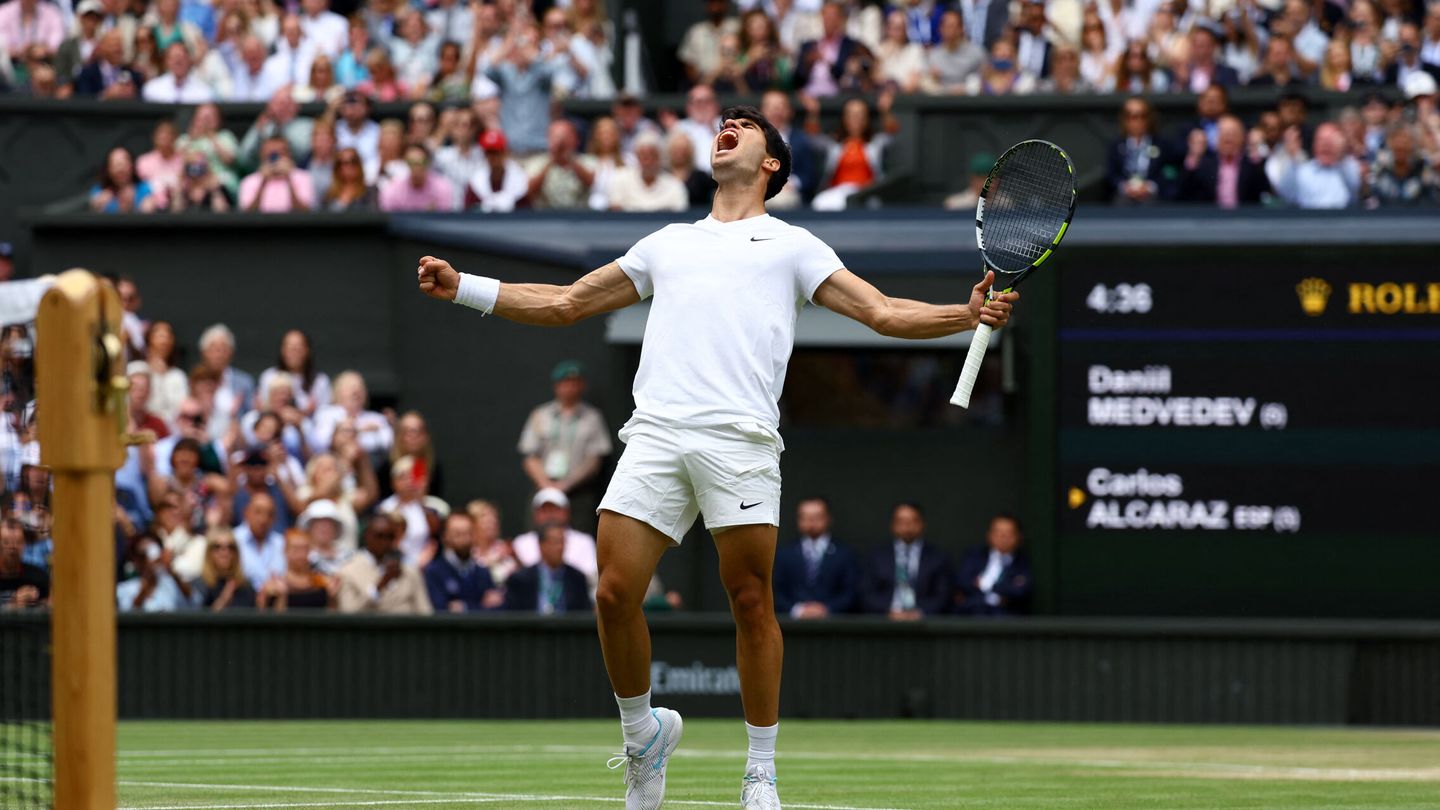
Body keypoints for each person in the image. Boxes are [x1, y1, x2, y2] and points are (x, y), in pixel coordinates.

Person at [413, 99, 1017, 809]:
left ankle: (760, 769)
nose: (725, 127)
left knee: (751, 599)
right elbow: (567, 303)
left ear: (769, 163)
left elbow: (881, 312)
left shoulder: (795, 246)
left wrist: (962, 314)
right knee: (612, 592)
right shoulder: (667, 243)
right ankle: (643, 737)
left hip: (742, 439)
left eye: (745, 125)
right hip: (659, 432)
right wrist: (465, 289)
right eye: (721, 123)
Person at [517, 360, 612, 530]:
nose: (571, 387)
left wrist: (566, 485)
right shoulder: (540, 415)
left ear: (583, 385)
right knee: (539, 537)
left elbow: (594, 459)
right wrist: (546, 484)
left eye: (575, 383)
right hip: (543, 490)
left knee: (579, 538)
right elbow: (529, 456)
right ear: (557, 385)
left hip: (578, 493)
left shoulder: (592, 418)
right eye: (566, 382)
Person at [859, 502, 953, 620]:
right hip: (884, 622)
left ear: (922, 524)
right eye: (901, 521)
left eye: (913, 521)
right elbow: (866, 594)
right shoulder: (877, 556)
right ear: (893, 525)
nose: (907, 526)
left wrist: (920, 612)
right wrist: (889, 611)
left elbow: (943, 596)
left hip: (924, 625)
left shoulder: (938, 557)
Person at [771, 496, 858, 618]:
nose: (811, 522)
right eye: (805, 517)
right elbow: (775, 591)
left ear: (828, 518)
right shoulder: (784, 554)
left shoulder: (845, 554)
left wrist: (827, 609)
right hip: (791, 626)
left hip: (834, 626)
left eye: (817, 517)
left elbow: (851, 592)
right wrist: (798, 610)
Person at [336, 513, 434, 614]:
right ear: (367, 536)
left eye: (390, 537)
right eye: (380, 536)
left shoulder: (410, 572)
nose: (385, 542)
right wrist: (379, 587)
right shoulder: (348, 572)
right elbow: (347, 613)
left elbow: (425, 612)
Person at [509, 487, 599, 587]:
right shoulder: (520, 542)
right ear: (535, 514)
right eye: (545, 510)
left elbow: (590, 576)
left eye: (555, 510)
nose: (550, 515)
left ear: (566, 512)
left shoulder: (584, 541)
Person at [1178, 115, 1271, 207]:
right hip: (1210, 218)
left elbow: (1265, 193)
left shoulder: (1252, 163)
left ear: (1243, 137)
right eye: (1224, 133)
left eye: (1232, 134)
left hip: (1245, 219)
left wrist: (1255, 151)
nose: (1228, 138)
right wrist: (1194, 156)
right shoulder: (1204, 163)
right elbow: (1182, 195)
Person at [502, 521, 592, 614]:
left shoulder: (577, 579)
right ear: (541, 545)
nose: (559, 547)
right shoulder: (520, 580)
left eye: (562, 542)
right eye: (555, 542)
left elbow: (585, 613)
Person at [1268, 122, 1363, 209]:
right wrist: (1293, 158)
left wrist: (1341, 155)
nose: (1325, 144)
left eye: (1331, 140)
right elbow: (1287, 195)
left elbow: (1356, 191)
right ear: (1314, 144)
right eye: (1321, 140)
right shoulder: (1304, 170)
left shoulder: (1349, 166)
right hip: (1310, 223)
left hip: (1345, 223)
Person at [375, 454, 448, 566]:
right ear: (393, 481)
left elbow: (434, 541)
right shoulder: (385, 508)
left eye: (412, 476)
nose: (408, 481)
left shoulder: (429, 509)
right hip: (394, 565)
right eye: (403, 477)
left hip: (425, 565)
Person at [423, 511, 501, 612]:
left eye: (468, 533)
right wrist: (480, 606)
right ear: (445, 536)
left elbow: (496, 608)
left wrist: (464, 607)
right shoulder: (433, 571)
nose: (464, 539)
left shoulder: (482, 572)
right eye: (458, 534)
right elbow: (440, 610)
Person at [955, 513, 1031, 616]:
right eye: (998, 533)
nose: (1003, 538)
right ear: (989, 535)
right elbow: (963, 582)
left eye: (1008, 533)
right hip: (972, 616)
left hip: (1006, 621)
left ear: (1018, 537)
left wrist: (985, 583)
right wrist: (999, 596)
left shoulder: (1022, 563)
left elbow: (1019, 592)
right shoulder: (975, 556)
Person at [1107, 96, 1177, 205]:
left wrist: (1151, 187)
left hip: (1153, 197)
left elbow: (1170, 171)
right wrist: (1124, 187)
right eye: (1132, 116)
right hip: (1124, 196)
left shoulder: (1163, 145)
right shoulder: (1116, 146)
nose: (1137, 121)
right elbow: (1111, 174)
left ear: (1149, 118)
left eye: (1142, 116)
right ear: (1124, 120)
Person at [526, 119, 597, 210]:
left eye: (566, 137)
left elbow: (592, 183)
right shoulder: (536, 162)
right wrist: (553, 159)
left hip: (580, 218)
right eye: (555, 137)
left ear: (576, 140)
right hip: (545, 218)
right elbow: (529, 191)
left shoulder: (589, 161)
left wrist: (570, 159)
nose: (560, 142)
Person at [609, 132, 689, 212]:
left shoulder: (675, 186)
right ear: (637, 156)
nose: (647, 162)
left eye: (652, 155)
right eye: (643, 156)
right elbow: (615, 213)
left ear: (659, 157)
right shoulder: (620, 178)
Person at [257, 528, 334, 610]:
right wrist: (279, 596)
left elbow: (332, 614)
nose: (301, 555)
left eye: (305, 549)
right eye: (295, 550)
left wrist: (332, 595)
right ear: (285, 551)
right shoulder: (274, 585)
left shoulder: (321, 583)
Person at [239, 135, 316, 213]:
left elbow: (305, 212)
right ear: (262, 155)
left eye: (279, 154)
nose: (275, 160)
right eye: (271, 155)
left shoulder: (304, 178)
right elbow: (247, 215)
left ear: (288, 155)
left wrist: (289, 179)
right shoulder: (249, 181)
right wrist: (263, 182)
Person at [116, 533, 189, 612]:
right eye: (142, 555)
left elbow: (192, 601)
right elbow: (128, 613)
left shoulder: (170, 584)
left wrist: (170, 570)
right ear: (135, 560)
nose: (147, 560)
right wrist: (144, 590)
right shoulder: (124, 589)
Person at [191, 527, 258, 610]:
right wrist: (224, 600)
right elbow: (197, 620)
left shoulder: (245, 587)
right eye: (218, 547)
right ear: (209, 552)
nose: (225, 553)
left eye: (230, 547)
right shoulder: (199, 585)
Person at [464, 128, 530, 212]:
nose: (492, 157)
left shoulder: (518, 177)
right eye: (488, 153)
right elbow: (468, 213)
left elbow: (526, 212)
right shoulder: (476, 180)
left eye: (495, 152)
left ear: (504, 153)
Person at [379, 143, 456, 212]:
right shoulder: (393, 189)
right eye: (411, 163)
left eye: (420, 163)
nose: (416, 168)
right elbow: (388, 219)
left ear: (428, 163)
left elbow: (444, 219)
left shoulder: (442, 187)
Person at [234, 490, 286, 589]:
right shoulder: (233, 540)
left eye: (269, 514)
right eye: (258, 512)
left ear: (275, 518)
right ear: (246, 512)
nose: (264, 519)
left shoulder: (282, 543)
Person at [926, 8, 982, 93]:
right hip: (941, 101)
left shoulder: (976, 54)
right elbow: (928, 85)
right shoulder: (933, 55)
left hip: (969, 101)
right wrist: (932, 79)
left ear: (961, 29)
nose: (950, 31)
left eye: (953, 26)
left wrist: (966, 88)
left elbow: (983, 81)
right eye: (946, 26)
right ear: (941, 29)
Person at [90, 147, 159, 214]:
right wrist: (98, 207)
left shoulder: (144, 188)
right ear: (108, 169)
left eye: (124, 164)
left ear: (132, 166)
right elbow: (92, 212)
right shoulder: (99, 190)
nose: (120, 169)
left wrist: (131, 207)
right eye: (115, 165)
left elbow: (148, 214)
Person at [143, 40, 215, 102]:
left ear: (189, 60)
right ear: (166, 61)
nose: (177, 62)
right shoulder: (152, 89)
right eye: (173, 58)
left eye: (181, 58)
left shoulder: (204, 91)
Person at [0, 516, 47, 609]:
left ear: (24, 544)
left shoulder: (38, 577)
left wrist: (39, 602)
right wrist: (13, 604)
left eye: (18, 542)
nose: (13, 547)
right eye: (6, 542)